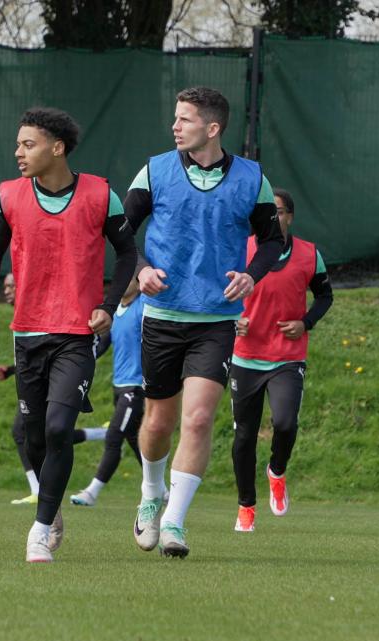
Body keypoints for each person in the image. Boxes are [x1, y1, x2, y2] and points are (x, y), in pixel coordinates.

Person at [0, 107, 137, 563]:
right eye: (18, 144)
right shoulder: (9, 196)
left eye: (28, 144)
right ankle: (52, 506)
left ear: (57, 147)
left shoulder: (101, 195)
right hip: (27, 332)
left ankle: (40, 529)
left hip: (76, 334)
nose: (18, 152)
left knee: (60, 426)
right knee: (36, 435)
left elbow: (127, 255)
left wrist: (107, 305)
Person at [124, 86, 284, 558]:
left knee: (197, 420)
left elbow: (272, 242)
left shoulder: (253, 178)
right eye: (175, 118)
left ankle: (174, 522)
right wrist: (141, 270)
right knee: (158, 423)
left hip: (216, 320)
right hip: (162, 318)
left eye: (185, 119)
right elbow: (120, 234)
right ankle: (152, 495)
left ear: (212, 128)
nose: (175, 126)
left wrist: (252, 276)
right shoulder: (154, 171)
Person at [230, 188, 333, 532]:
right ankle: (246, 506)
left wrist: (305, 322)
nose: (274, 217)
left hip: (288, 357)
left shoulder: (308, 254)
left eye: (279, 211)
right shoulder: (240, 249)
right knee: (243, 436)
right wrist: (233, 320)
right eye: (266, 211)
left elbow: (324, 295)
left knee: (286, 422)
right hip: (246, 356)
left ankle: (276, 470)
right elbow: (218, 291)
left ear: (290, 217)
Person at [0, 273, 107, 506]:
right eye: (5, 286)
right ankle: (98, 434)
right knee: (41, 433)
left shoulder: (46, 307)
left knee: (34, 430)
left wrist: (79, 366)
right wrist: (13, 370)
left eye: (12, 286)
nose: (7, 291)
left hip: (57, 378)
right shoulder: (22, 313)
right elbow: (35, 355)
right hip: (32, 378)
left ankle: (40, 491)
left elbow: (56, 350)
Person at [69, 275, 147, 507]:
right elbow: (102, 344)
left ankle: (92, 492)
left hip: (136, 387)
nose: (121, 284)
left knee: (114, 436)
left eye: (127, 280)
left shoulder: (144, 305)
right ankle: (160, 490)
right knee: (136, 440)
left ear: (138, 282)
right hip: (119, 386)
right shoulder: (116, 313)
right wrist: (80, 360)